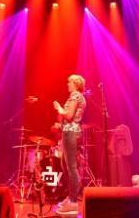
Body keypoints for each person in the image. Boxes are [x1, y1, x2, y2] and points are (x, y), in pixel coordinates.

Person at [52, 74, 87, 215]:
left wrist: (59, 108)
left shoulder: (76, 96)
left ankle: (73, 201)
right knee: (65, 165)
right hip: (67, 132)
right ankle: (70, 197)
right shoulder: (74, 96)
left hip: (71, 132)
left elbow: (69, 115)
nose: (67, 84)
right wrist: (60, 112)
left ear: (76, 84)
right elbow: (62, 118)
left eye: (69, 82)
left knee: (71, 167)